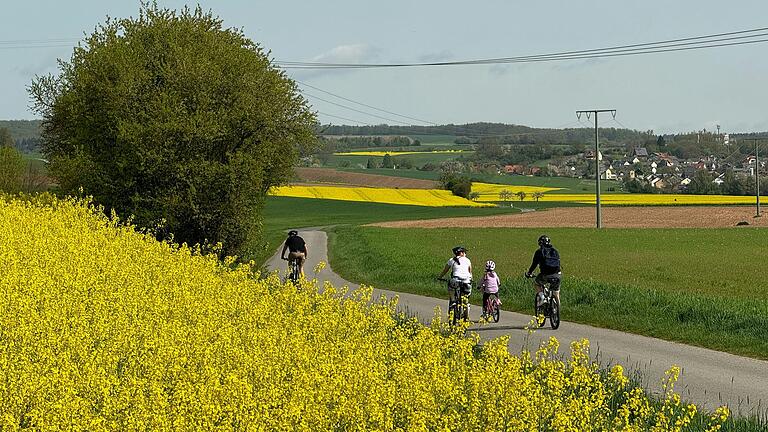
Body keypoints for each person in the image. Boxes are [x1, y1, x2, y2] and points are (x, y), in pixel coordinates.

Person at [525, 235, 562, 306]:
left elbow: (534, 264)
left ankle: (542, 297)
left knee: (537, 283)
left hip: (545, 275)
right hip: (557, 274)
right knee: (556, 293)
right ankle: (557, 310)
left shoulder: (539, 252)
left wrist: (529, 273)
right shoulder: (555, 251)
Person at [438, 246, 473, 314]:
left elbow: (445, 270)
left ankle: (453, 301)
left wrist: (440, 277)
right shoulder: (467, 260)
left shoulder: (451, 260)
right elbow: (470, 272)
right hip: (466, 281)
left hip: (455, 280)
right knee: (466, 296)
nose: (465, 254)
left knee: (451, 290)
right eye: (465, 252)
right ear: (462, 253)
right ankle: (466, 307)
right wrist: (471, 279)